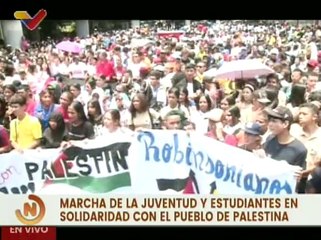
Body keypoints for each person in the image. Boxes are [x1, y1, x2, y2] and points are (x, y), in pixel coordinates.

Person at [263, 106, 307, 193]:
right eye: (270, 120)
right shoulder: (269, 139)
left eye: (274, 121)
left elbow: (297, 180)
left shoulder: (299, 149)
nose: (270, 124)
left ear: (285, 124)